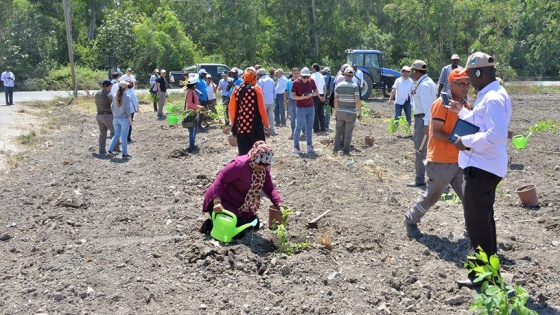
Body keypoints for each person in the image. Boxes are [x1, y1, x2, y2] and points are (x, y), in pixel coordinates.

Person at [450, 52, 512, 288]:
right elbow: (481, 121)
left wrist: (466, 141)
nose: (469, 83)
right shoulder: (491, 94)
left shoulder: (493, 98)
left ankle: (481, 276)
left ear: (479, 73)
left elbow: (495, 135)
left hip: (482, 169)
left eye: (470, 77)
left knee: (477, 225)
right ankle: (490, 272)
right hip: (484, 166)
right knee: (483, 221)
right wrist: (462, 112)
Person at [404, 68, 471, 237]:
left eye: (468, 83)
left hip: (460, 160)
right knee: (432, 196)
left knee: (469, 196)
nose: (465, 87)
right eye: (461, 83)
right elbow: (436, 132)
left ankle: (471, 229)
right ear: (451, 84)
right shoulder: (441, 104)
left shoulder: (465, 105)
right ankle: (411, 220)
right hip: (441, 160)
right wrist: (458, 141)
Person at [199, 141, 283, 237]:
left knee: (255, 224)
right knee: (238, 233)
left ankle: (229, 221)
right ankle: (210, 225)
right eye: (261, 164)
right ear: (254, 157)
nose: (263, 167)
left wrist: (279, 205)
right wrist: (217, 202)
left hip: (238, 204)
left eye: (266, 165)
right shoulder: (240, 165)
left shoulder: (263, 170)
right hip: (223, 200)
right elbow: (220, 178)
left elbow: (270, 189)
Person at [228, 67, 271, 155]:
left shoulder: (236, 89)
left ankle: (245, 169)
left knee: (244, 155)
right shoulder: (256, 89)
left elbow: (232, 110)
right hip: (255, 127)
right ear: (254, 77)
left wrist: (233, 126)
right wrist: (267, 126)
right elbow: (261, 109)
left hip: (241, 127)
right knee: (259, 153)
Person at [408, 60, 437, 187]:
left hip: (423, 119)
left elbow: (427, 107)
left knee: (420, 150)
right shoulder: (426, 82)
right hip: (424, 118)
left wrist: (426, 124)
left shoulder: (424, 85)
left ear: (416, 71)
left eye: (412, 71)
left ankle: (420, 179)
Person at [333, 67, 361, 155]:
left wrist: (336, 111)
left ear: (344, 75)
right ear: (352, 76)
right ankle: (346, 150)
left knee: (338, 130)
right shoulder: (355, 86)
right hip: (351, 112)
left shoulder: (339, 85)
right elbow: (357, 100)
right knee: (348, 132)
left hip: (340, 111)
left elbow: (336, 99)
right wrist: (360, 113)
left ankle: (336, 148)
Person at [292, 67, 319, 154]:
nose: (306, 79)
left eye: (307, 77)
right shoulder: (296, 83)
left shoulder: (311, 81)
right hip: (300, 108)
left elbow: (316, 92)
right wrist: (302, 97)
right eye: (304, 77)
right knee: (298, 127)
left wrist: (311, 95)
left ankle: (309, 146)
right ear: (301, 75)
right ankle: (296, 146)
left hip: (311, 107)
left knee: (309, 128)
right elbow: (293, 96)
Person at [108, 81, 132, 159]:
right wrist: (130, 119)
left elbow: (111, 106)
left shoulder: (115, 95)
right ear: (125, 88)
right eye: (127, 86)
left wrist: (114, 114)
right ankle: (124, 154)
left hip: (116, 119)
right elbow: (128, 109)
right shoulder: (127, 96)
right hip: (124, 119)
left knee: (116, 135)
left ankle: (110, 149)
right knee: (124, 137)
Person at [95, 80, 119, 154]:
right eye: (110, 86)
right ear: (108, 86)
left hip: (99, 115)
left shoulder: (97, 94)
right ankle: (115, 148)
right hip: (107, 116)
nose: (111, 87)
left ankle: (101, 150)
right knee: (115, 132)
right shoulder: (109, 95)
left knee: (102, 133)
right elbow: (112, 106)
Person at [184, 76, 205, 153]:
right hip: (191, 113)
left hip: (194, 113)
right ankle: (191, 145)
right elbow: (189, 104)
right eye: (195, 84)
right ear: (193, 85)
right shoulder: (190, 92)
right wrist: (199, 106)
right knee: (192, 130)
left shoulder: (192, 91)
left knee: (194, 129)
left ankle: (193, 144)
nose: (196, 85)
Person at [257, 68, 277, 136]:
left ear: (259, 74)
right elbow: (275, 90)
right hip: (271, 100)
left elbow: (259, 92)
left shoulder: (260, 81)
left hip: (263, 101)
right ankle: (272, 130)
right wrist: (274, 98)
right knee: (271, 116)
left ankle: (263, 130)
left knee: (262, 116)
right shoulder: (271, 80)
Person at [284, 67, 300, 140]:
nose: (296, 75)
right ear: (292, 73)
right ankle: (293, 132)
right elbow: (286, 92)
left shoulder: (301, 81)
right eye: (294, 73)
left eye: (297, 73)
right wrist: (286, 101)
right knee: (292, 117)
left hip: (299, 100)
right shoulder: (289, 82)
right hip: (291, 101)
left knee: (300, 117)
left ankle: (302, 131)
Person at [311, 63, 327, 133]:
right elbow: (324, 87)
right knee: (321, 112)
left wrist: (318, 96)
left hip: (315, 95)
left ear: (314, 69)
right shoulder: (321, 76)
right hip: (322, 94)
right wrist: (324, 96)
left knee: (315, 113)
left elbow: (314, 88)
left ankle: (316, 128)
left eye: (312, 68)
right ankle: (323, 128)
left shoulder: (312, 76)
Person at [322, 67, 334, 132]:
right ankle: (327, 126)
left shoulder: (322, 77)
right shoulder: (333, 78)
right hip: (330, 97)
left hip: (323, 96)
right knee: (328, 112)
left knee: (321, 111)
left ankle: (320, 125)